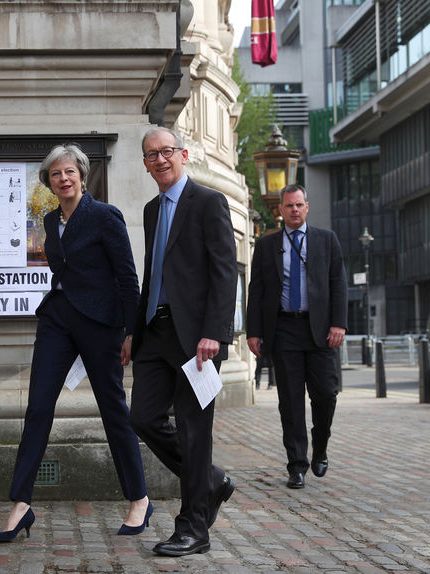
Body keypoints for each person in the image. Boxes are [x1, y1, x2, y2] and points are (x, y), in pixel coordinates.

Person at [0, 143, 151, 542]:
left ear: (82, 175)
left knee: (113, 409)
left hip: (100, 325)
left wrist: (131, 332)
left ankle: (139, 500)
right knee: (39, 406)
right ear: (49, 181)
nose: (63, 179)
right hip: (57, 321)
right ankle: (21, 504)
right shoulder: (49, 221)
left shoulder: (104, 216)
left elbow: (128, 279)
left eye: (69, 172)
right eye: (55, 174)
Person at [129, 127, 237, 557]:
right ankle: (210, 480)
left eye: (167, 151)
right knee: (142, 418)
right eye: (151, 155)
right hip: (155, 333)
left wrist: (214, 331)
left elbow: (224, 271)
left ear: (183, 154)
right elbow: (153, 274)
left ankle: (193, 528)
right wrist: (134, 331)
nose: (160, 159)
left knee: (194, 433)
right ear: (145, 163)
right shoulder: (152, 209)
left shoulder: (209, 202)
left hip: (197, 340)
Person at [246, 184, 347, 489]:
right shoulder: (266, 246)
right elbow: (257, 290)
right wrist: (254, 332)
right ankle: (297, 465)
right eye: (288, 205)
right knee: (290, 402)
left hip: (320, 331)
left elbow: (339, 283)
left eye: (298, 205)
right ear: (281, 209)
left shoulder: (326, 240)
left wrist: (338, 324)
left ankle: (321, 448)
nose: (294, 210)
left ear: (307, 207)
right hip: (285, 330)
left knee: (326, 394)